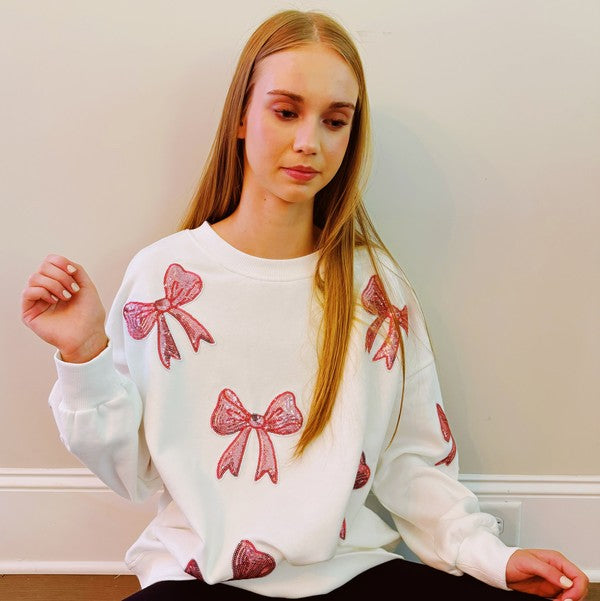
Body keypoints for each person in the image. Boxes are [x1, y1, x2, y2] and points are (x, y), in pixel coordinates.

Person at [21, 9, 588, 601]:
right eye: (286, 111)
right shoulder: (163, 278)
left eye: (335, 121)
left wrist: (493, 557)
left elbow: (412, 461)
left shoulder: (376, 287)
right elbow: (130, 470)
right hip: (201, 579)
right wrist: (83, 353)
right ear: (241, 116)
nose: (308, 143)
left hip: (352, 573)